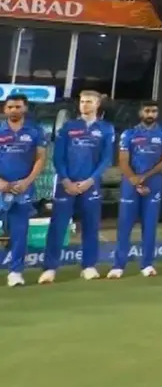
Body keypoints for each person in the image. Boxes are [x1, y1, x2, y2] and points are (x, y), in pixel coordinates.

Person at [39, 91, 113, 283]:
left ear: (97, 104)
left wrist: (90, 180)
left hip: (90, 185)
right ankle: (50, 269)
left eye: (89, 102)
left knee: (90, 226)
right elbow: (58, 156)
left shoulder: (106, 129)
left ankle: (88, 266)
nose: (85, 105)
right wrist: (65, 180)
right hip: (66, 184)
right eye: (82, 102)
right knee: (58, 226)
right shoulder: (69, 127)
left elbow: (106, 159)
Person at [109, 101, 162, 279]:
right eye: (147, 110)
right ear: (140, 112)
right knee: (125, 225)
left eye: (154, 110)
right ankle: (118, 266)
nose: (151, 113)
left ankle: (147, 265)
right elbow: (122, 160)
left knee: (150, 225)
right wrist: (135, 180)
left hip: (153, 182)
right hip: (131, 182)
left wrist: (144, 178)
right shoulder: (129, 134)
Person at [0, 95, 47, 287]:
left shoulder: (36, 131)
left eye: (18, 106)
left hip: (23, 189)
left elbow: (41, 159)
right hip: (0, 187)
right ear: (5, 110)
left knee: (20, 232)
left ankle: (16, 273)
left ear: (25, 109)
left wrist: (27, 181)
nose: (14, 110)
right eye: (10, 107)